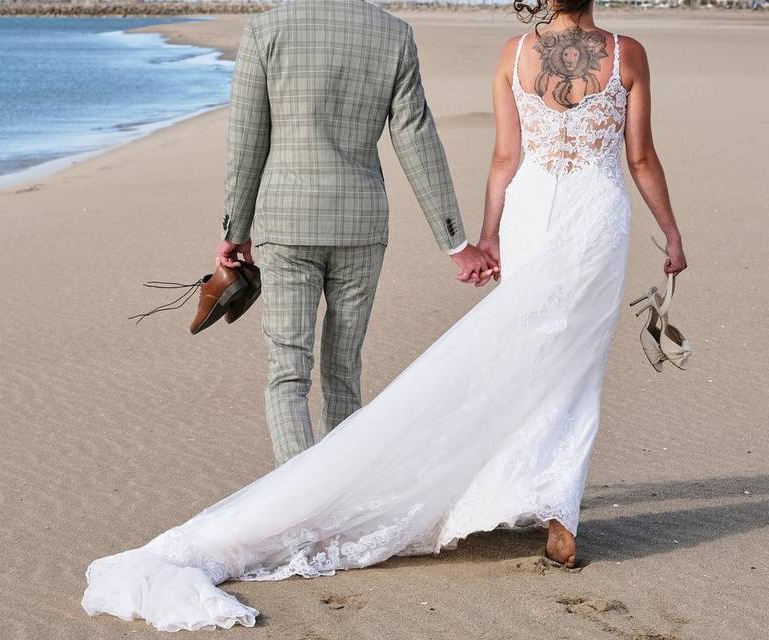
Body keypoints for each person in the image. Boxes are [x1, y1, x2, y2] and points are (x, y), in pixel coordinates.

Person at [81, 0, 687, 631]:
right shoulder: (615, 52)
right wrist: (665, 235)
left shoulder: (507, 54)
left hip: (400, 219)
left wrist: (487, 236)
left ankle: (311, 494)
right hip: (539, 222)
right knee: (547, 367)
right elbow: (628, 158)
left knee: (304, 371)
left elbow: (501, 158)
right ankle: (541, 509)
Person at [214, 0, 497, 466]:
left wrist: (234, 229)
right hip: (362, 226)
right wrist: (455, 242)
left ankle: (301, 507)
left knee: (288, 374)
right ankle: (337, 500)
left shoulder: (265, 29)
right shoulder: (394, 34)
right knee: (344, 370)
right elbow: (416, 138)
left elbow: (246, 141)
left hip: (288, 223)